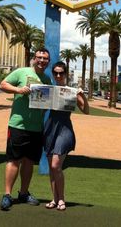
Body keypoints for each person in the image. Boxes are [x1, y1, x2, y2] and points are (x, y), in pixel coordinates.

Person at [0, 48, 52, 211]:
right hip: (18, 125)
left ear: (48, 61)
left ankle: (23, 193)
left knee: (29, 161)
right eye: (39, 57)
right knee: (14, 160)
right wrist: (18, 90)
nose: (42, 60)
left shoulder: (47, 79)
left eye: (45, 58)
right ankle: (7, 195)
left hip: (36, 127)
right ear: (34, 58)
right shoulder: (21, 72)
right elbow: (3, 84)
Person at [44, 61, 89, 212]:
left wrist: (82, 95)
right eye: (55, 73)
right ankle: (54, 199)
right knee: (51, 168)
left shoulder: (71, 91)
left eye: (61, 73)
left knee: (56, 165)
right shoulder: (49, 90)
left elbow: (86, 110)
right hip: (50, 129)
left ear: (65, 74)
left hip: (64, 130)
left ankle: (62, 198)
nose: (58, 75)